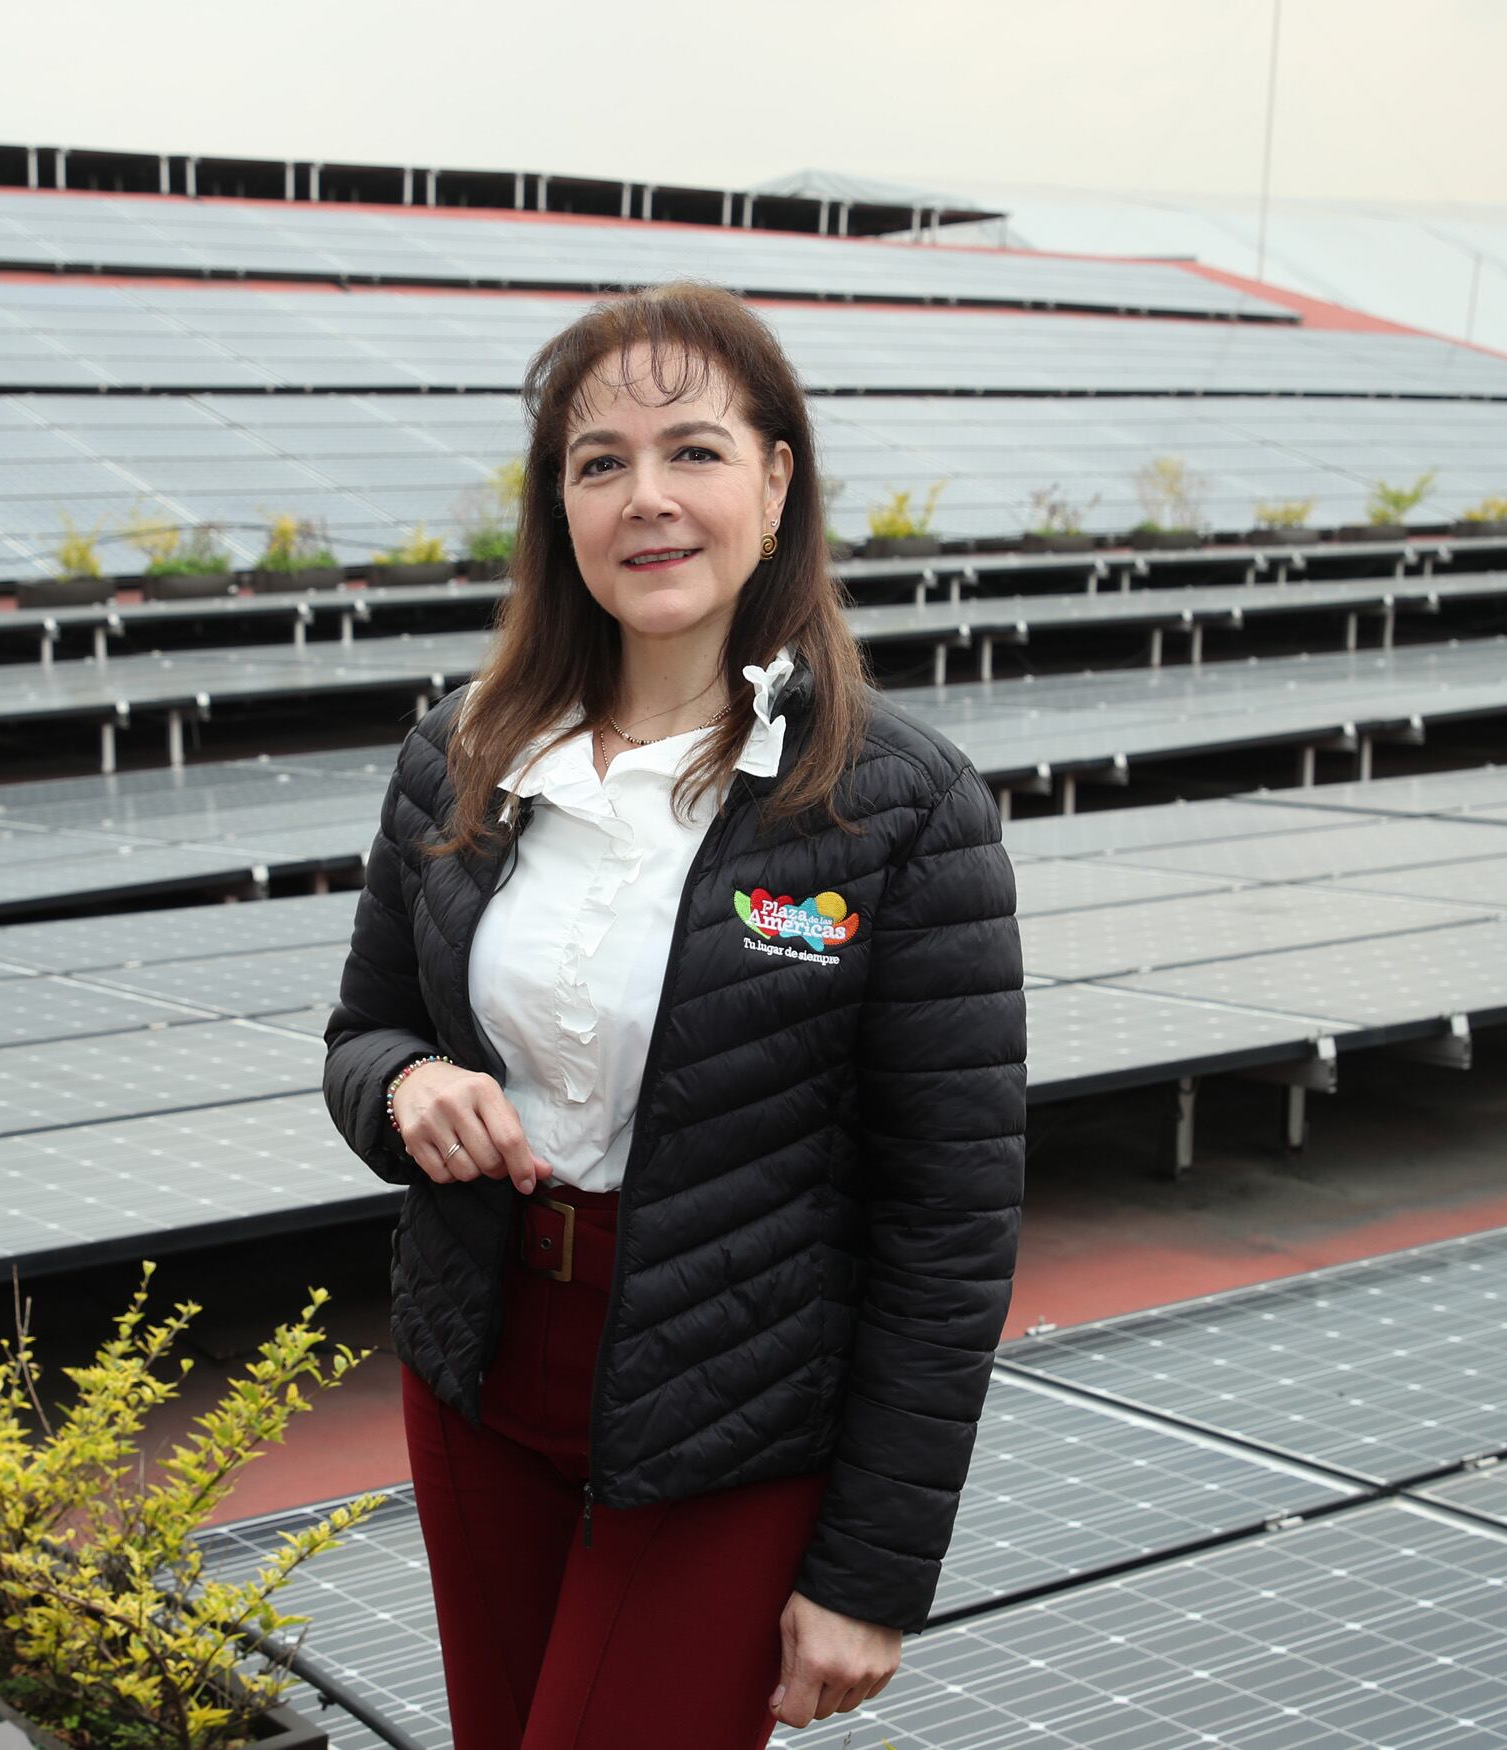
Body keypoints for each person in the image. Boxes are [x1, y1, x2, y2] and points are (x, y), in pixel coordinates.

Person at [323, 280, 1024, 1749]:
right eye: (600, 463)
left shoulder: (898, 808)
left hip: (738, 1406)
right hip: (481, 1361)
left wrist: (875, 1571)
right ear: (558, 508)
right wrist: (402, 1091)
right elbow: (360, 1033)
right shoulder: (461, 754)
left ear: (777, 481)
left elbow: (949, 1221)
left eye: (694, 450)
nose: (648, 498)